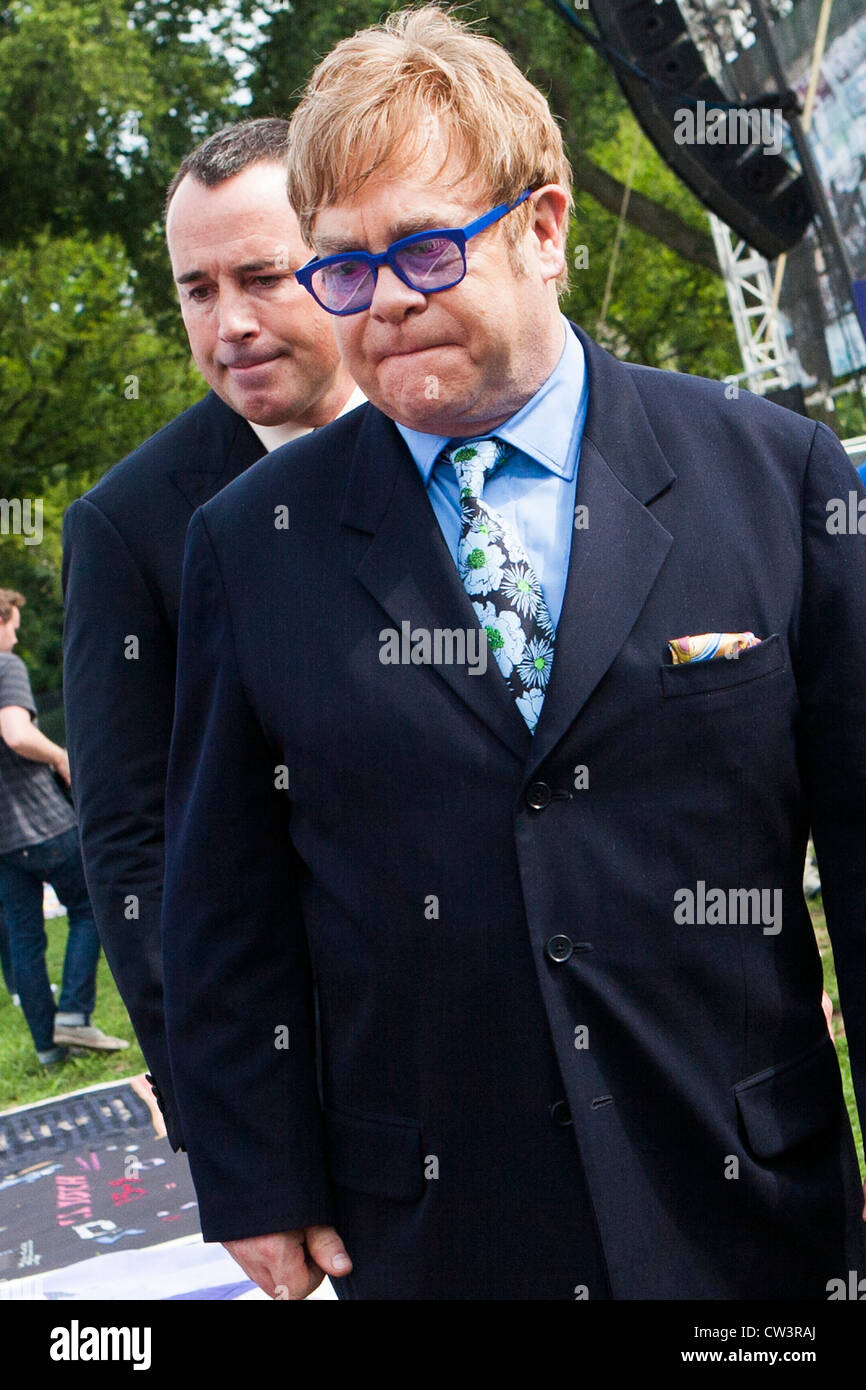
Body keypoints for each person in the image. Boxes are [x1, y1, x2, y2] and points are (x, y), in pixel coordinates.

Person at [161, 8, 866, 1300]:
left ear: (541, 228)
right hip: (433, 1224)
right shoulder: (253, 542)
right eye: (343, 268)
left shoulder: (774, 478)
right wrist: (254, 1170)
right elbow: (223, 891)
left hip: (744, 1203)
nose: (383, 303)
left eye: (424, 250)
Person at [61, 118, 364, 1149]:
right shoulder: (128, 525)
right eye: (198, 290)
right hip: (330, 1079)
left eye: (262, 276)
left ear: (336, 255)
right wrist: (235, 1124)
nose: (228, 322)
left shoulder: (457, 429)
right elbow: (133, 842)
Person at [0, 590, 128, 1065]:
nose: (15, 633)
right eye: (13, 623)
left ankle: (48, 1049)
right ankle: (73, 1013)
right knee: (94, 905)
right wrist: (60, 756)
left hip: (4, 844)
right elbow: (15, 733)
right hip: (43, 824)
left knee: (25, 939)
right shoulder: (5, 666)